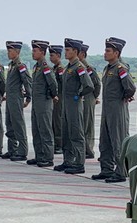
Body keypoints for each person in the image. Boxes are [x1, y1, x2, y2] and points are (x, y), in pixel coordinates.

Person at [92, 37, 136, 183]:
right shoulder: (107, 69)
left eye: (108, 51)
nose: (105, 53)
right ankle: (106, 169)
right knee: (105, 141)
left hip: (117, 109)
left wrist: (124, 98)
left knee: (118, 141)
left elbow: (130, 87)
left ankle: (121, 171)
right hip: (107, 110)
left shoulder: (120, 69)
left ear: (116, 53)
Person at [53, 38, 94, 174]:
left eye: (68, 50)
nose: (66, 52)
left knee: (76, 134)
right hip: (66, 105)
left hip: (74, 105)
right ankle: (68, 160)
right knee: (66, 134)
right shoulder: (68, 67)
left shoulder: (79, 67)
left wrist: (79, 95)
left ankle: (79, 163)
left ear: (75, 51)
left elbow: (89, 85)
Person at [26, 40, 58, 167]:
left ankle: (48, 157)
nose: (33, 53)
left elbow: (53, 84)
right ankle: (39, 155)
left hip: (44, 103)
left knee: (45, 130)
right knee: (36, 130)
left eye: (35, 51)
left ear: (42, 52)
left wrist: (50, 96)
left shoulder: (45, 67)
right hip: (37, 103)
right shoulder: (37, 67)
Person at [1, 41, 32, 161]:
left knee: (18, 124)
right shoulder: (12, 65)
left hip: (16, 99)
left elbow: (27, 82)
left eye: (10, 50)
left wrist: (28, 98)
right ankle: (12, 149)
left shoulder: (21, 66)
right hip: (10, 98)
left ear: (17, 52)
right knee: (9, 124)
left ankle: (22, 151)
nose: (8, 53)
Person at [79, 44, 101, 159]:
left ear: (82, 54)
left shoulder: (88, 69)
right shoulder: (78, 67)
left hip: (88, 97)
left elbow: (97, 84)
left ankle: (89, 150)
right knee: (81, 124)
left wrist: (93, 97)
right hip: (81, 98)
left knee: (87, 124)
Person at [48, 45, 65, 155]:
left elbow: (64, 84)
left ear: (58, 56)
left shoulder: (60, 69)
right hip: (55, 98)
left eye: (52, 55)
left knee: (58, 122)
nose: (50, 57)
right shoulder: (54, 68)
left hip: (60, 98)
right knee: (53, 121)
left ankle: (59, 144)